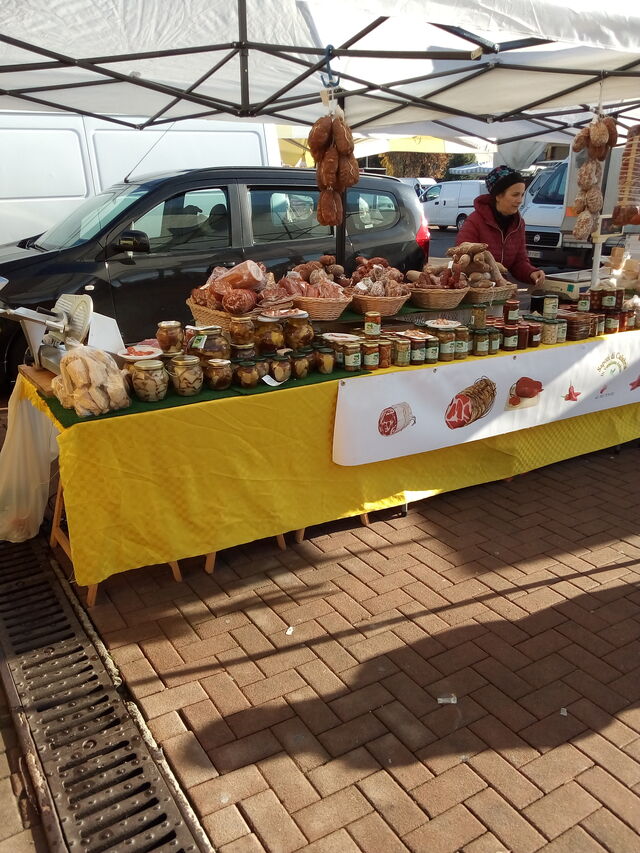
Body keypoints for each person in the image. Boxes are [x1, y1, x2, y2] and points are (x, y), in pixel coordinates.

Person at [456, 165, 545, 287]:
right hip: (476, 289)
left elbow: (519, 262)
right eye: (515, 195)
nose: (520, 200)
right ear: (498, 196)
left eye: (522, 195)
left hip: (502, 291)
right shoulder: (474, 222)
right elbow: (463, 259)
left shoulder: (518, 224)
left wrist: (531, 273)